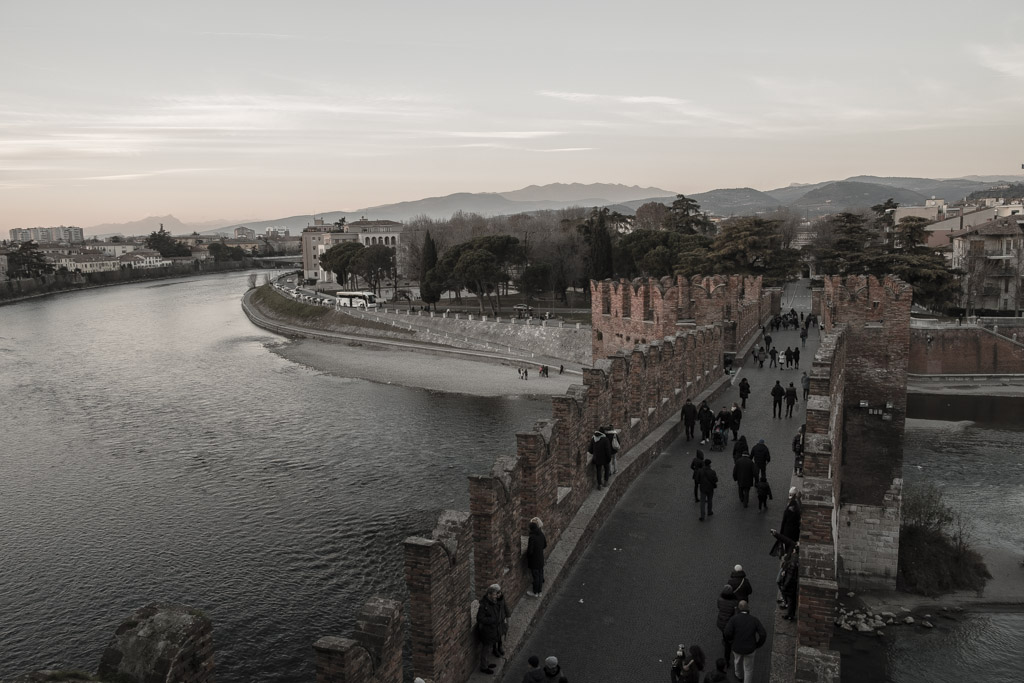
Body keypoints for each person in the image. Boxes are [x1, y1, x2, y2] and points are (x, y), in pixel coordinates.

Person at [723, 601, 766, 683]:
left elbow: (727, 632)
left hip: (737, 647)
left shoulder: (733, 619)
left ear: (738, 609)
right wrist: (757, 644)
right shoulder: (754, 620)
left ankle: (738, 675)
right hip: (750, 648)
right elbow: (763, 634)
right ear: (748, 608)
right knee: (748, 668)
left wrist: (731, 641)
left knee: (737, 662)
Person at [476, 584, 510, 673]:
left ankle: (486, 663)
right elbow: (480, 618)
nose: (496, 596)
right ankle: (484, 667)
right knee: (486, 649)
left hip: (493, 630)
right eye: (495, 594)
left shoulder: (493, 602)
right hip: (487, 632)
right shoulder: (484, 605)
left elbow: (501, 607)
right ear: (489, 594)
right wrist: (492, 619)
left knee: (489, 649)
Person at [716, 584, 739, 662]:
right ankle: (727, 658)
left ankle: (725, 639)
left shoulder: (720, 599)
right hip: (729, 623)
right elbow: (736, 613)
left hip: (720, 621)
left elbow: (719, 607)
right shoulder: (734, 602)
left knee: (724, 632)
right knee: (728, 642)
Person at [777, 544, 800, 620]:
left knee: (790, 600)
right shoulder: (796, 559)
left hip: (791, 584)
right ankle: (791, 614)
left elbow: (790, 575)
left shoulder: (793, 561)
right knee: (792, 600)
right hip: (793, 583)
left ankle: (790, 615)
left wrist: (785, 585)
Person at [526, 517, 547, 597]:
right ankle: (540, 591)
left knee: (536, 576)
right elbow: (545, 545)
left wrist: (528, 556)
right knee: (540, 574)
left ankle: (535, 592)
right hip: (540, 558)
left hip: (534, 560)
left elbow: (530, 551)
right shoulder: (541, 534)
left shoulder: (532, 537)